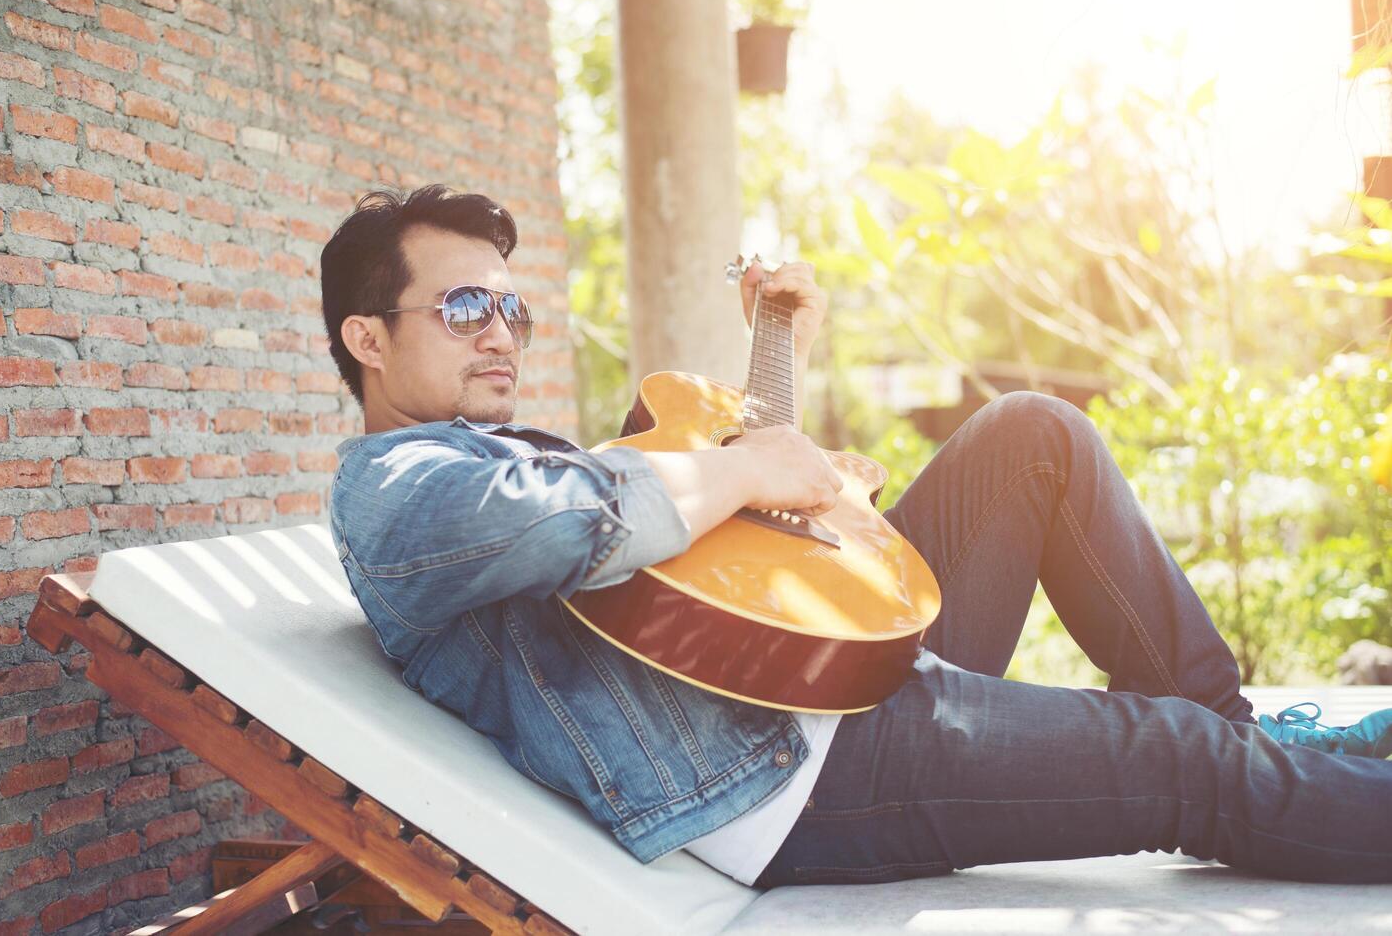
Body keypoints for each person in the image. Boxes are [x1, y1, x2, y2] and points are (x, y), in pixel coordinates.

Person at [322, 184, 1392, 888]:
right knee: (1175, 760)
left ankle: (1253, 751)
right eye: (464, 308)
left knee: (1033, 435)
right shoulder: (397, 487)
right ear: (365, 338)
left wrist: (772, 358)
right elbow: (575, 523)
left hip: (814, 678)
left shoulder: (505, 446)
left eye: (510, 309)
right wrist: (743, 462)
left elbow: (711, 591)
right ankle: (1245, 768)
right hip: (784, 768)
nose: (500, 332)